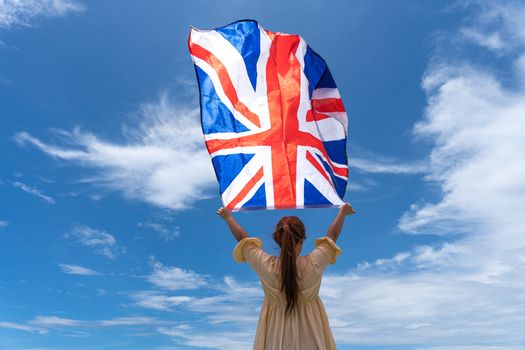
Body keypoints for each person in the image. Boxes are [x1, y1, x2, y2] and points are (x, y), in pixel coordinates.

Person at [216, 203, 356, 350]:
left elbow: (243, 240)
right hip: (312, 338)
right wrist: (342, 213)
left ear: (278, 239)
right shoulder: (315, 262)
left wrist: (228, 217)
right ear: (302, 240)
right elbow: (332, 236)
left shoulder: (266, 265)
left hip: (275, 339)